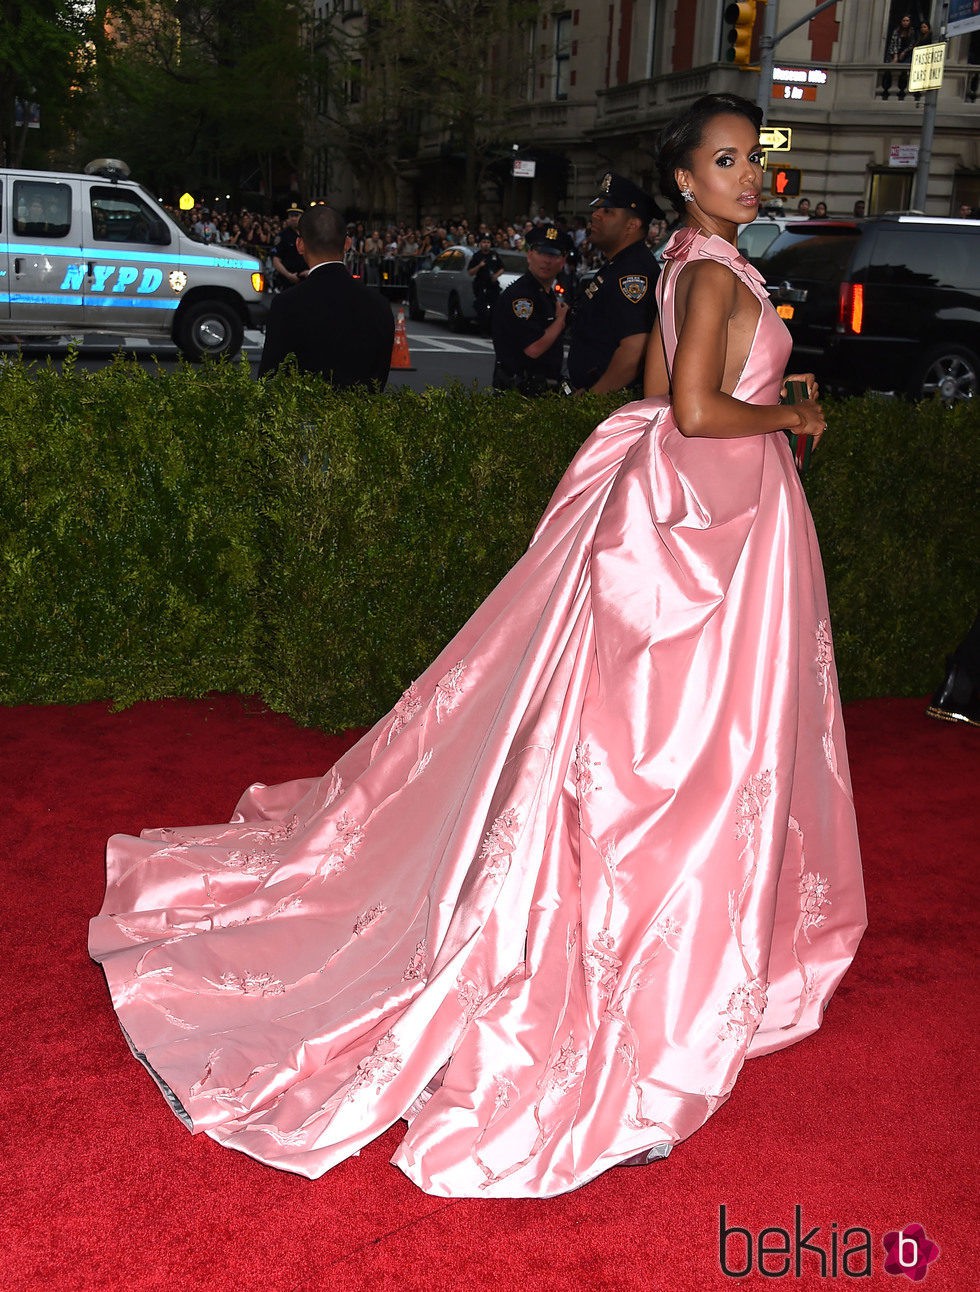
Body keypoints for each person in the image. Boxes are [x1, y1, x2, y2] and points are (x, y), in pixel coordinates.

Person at [90, 93, 865, 1199]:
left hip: (702, 524)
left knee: (654, 740)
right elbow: (689, 412)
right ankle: (657, 943)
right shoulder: (703, 271)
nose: (750, 175)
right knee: (689, 751)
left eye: (754, 158)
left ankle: (644, 914)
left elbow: (655, 400)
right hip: (711, 528)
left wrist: (764, 397)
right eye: (727, 160)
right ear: (686, 181)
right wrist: (784, 417)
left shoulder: (693, 264)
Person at [257, 203, 395, 386]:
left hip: (303, 411)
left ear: (300, 245)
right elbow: (380, 375)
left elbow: (269, 377)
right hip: (362, 411)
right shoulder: (379, 304)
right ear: (347, 243)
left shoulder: (287, 304)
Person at [567, 173, 660, 394]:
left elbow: (635, 348)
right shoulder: (618, 265)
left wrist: (592, 399)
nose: (595, 215)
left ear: (632, 225)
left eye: (607, 211)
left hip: (612, 407)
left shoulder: (633, 273)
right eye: (597, 209)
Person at [490, 223, 571, 395]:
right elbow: (533, 349)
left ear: (562, 261)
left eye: (554, 254)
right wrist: (560, 321)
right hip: (519, 392)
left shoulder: (546, 295)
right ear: (529, 255)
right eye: (541, 252)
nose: (547, 260)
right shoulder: (522, 296)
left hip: (540, 390)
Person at [467, 233, 504, 328]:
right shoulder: (477, 256)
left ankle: (493, 328)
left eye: (488, 242)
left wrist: (496, 275)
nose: (486, 244)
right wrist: (479, 266)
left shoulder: (494, 255)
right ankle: (483, 328)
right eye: (484, 242)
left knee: (496, 306)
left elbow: (502, 268)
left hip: (492, 284)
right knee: (481, 306)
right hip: (481, 284)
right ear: (480, 244)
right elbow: (470, 272)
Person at [270, 204, 307, 291]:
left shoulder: (309, 235)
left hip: (306, 279)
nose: (293, 218)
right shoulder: (283, 236)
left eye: (296, 215)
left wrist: (311, 271)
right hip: (288, 281)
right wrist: (288, 275)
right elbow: (276, 260)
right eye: (291, 216)